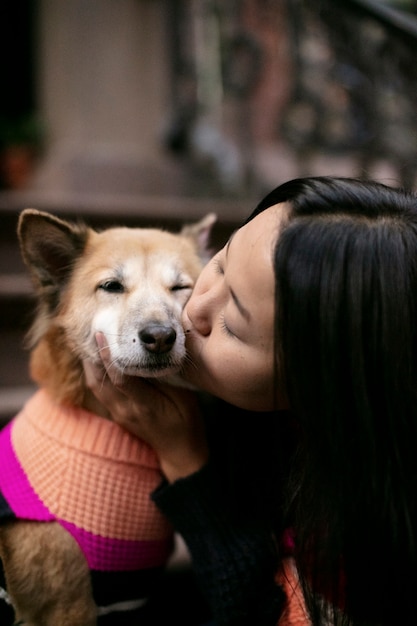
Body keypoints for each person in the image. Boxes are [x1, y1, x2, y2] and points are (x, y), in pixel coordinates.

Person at [84, 176, 417, 626]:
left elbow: (254, 611)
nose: (192, 310)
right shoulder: (253, 408)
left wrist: (184, 459)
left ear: (318, 386)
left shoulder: (362, 550)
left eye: (233, 324)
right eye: (219, 264)